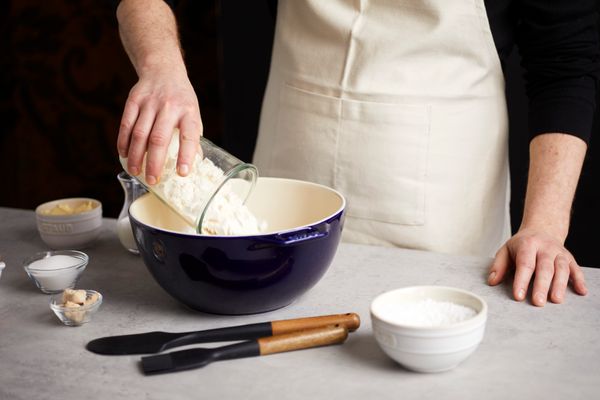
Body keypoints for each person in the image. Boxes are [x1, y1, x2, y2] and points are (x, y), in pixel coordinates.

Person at [114, 0, 600, 306]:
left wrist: (545, 226)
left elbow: (566, 59)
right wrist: (161, 67)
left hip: (445, 201)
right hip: (285, 177)